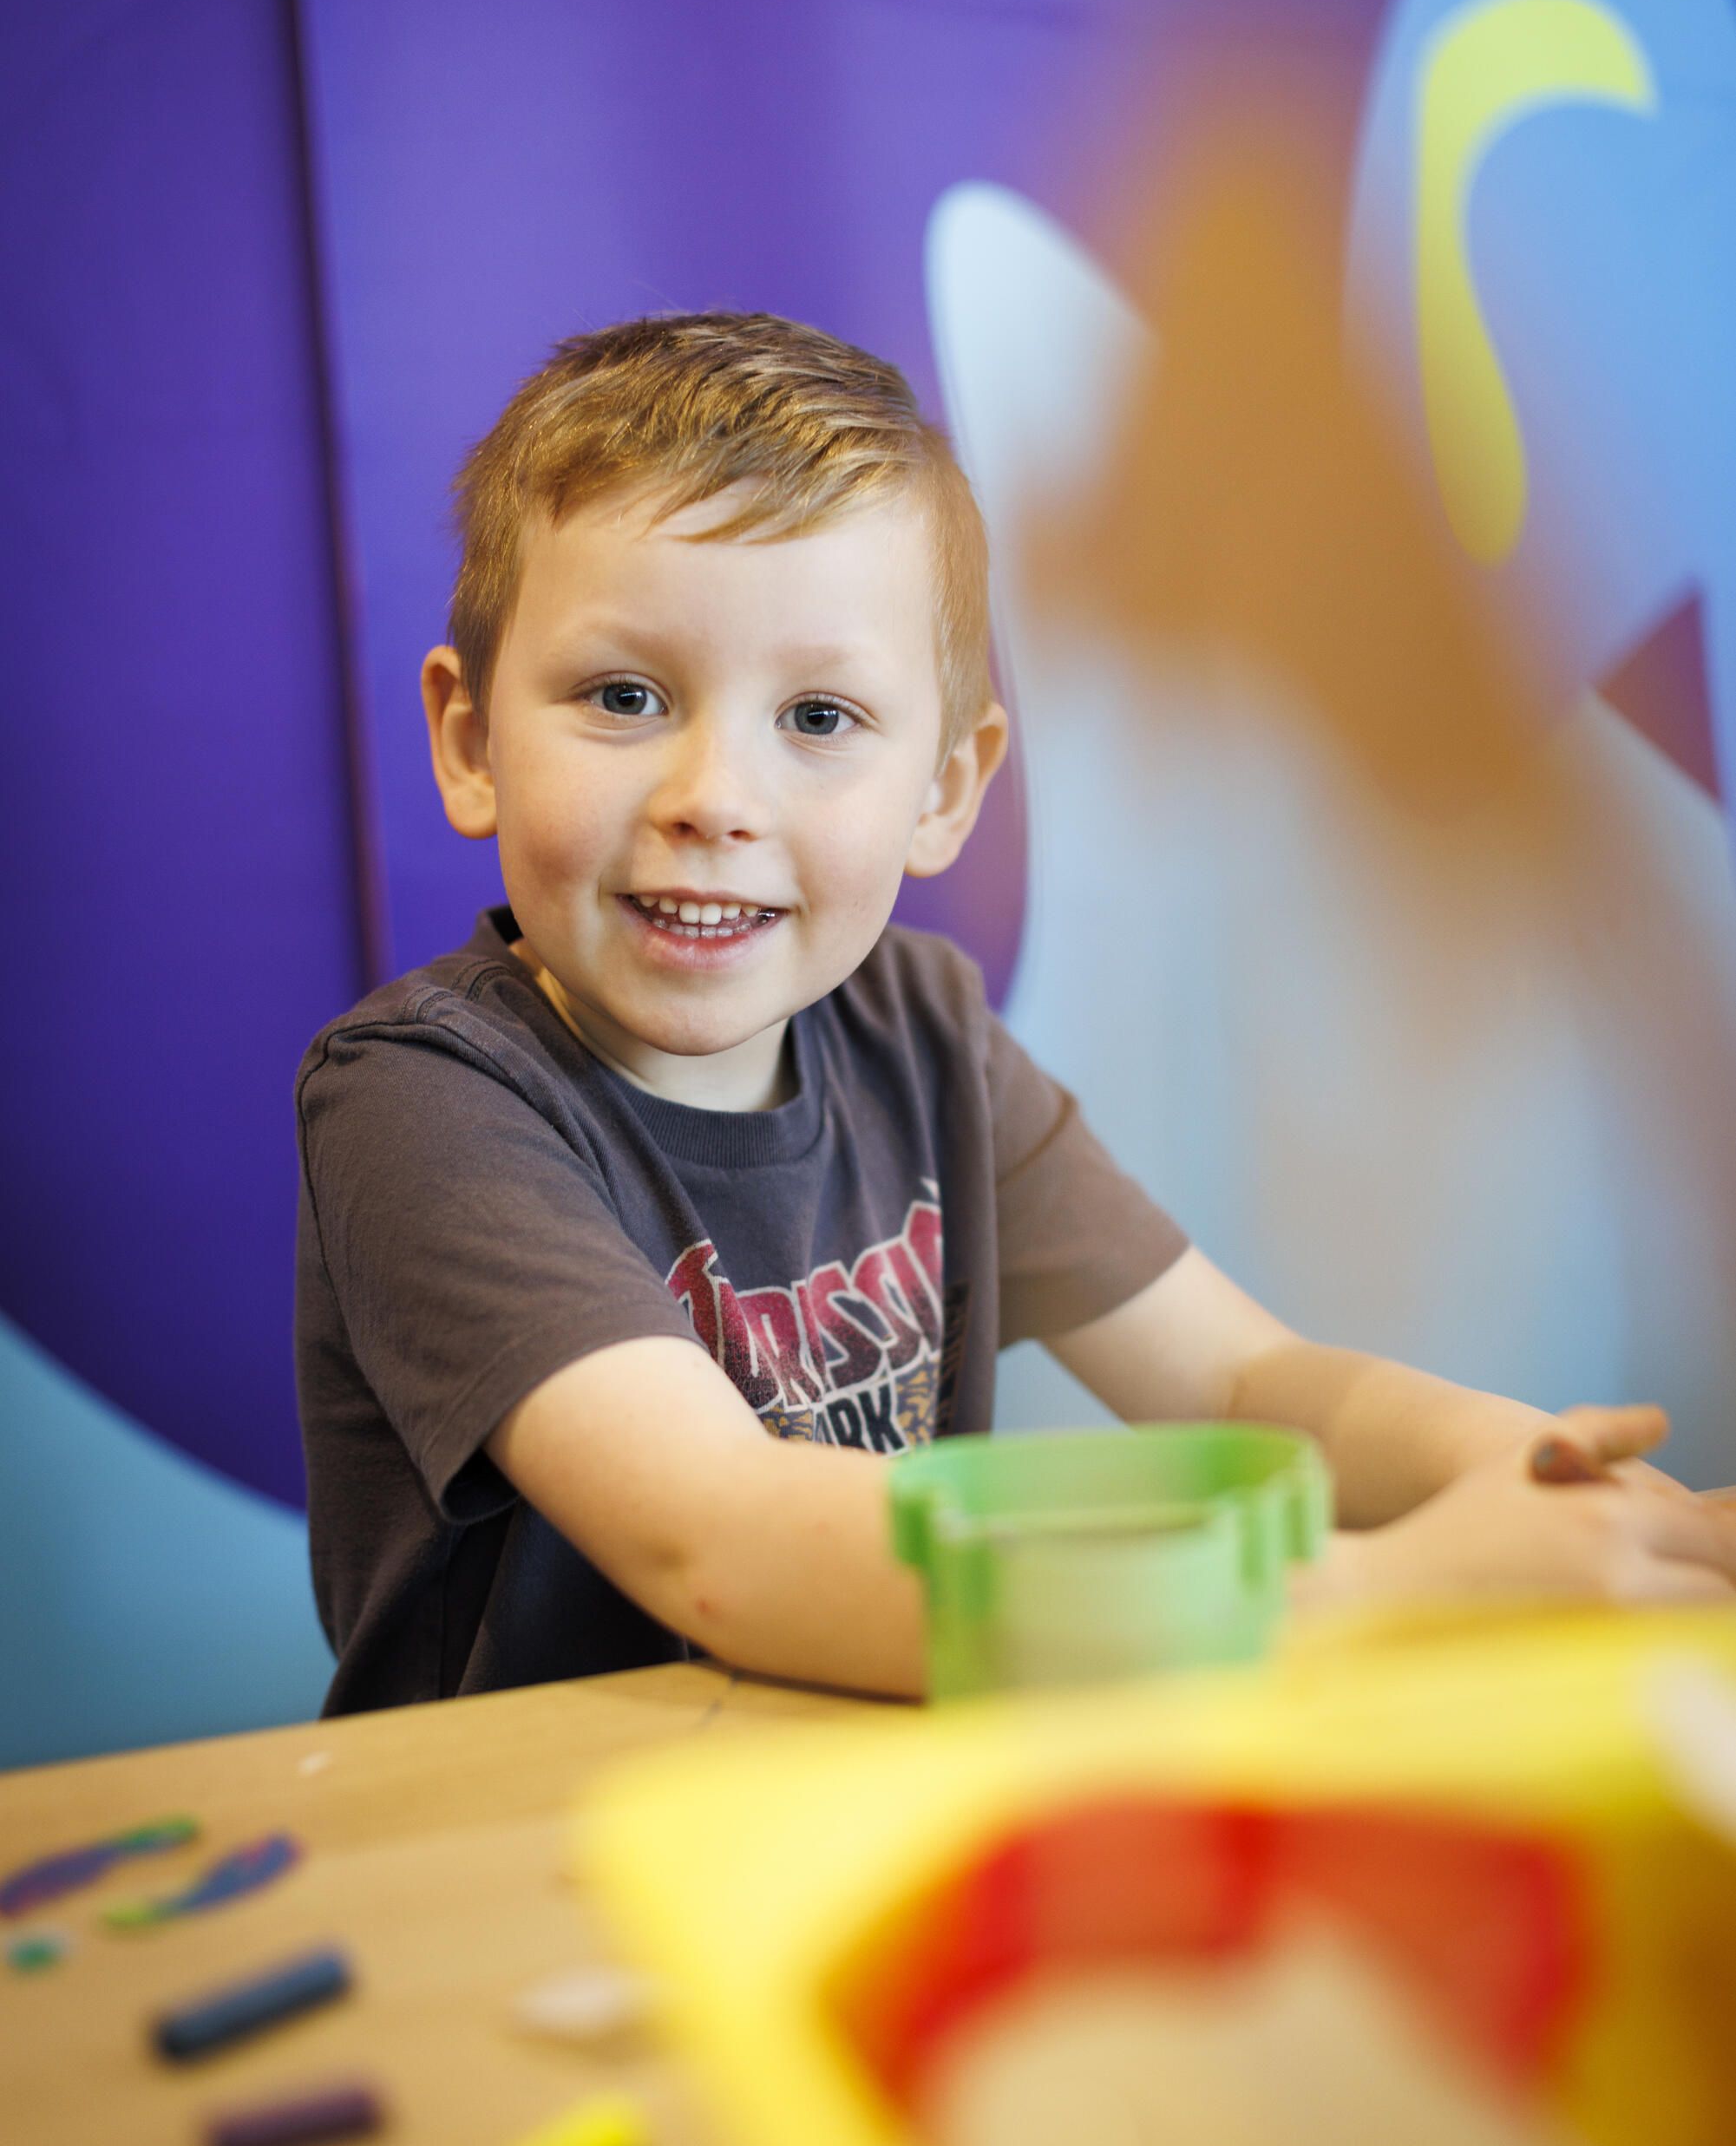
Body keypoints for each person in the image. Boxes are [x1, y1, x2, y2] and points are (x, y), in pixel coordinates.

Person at [295, 311, 1736, 1713]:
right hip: (525, 1873)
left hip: (855, 1802)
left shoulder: (922, 1033)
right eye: (623, 697)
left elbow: (1243, 1379)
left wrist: (1551, 1486)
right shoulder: (424, 1104)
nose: (712, 802)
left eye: (816, 719)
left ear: (944, 790)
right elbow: (720, 1540)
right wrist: (1396, 1597)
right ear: (471, 742)